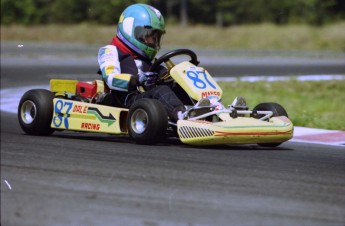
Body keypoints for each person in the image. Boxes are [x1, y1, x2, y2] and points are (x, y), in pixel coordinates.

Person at [97, 3, 210, 122]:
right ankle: (183, 117)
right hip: (127, 100)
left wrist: (182, 75)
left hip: (147, 99)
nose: (153, 41)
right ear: (130, 29)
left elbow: (163, 75)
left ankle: (209, 112)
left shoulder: (147, 59)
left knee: (179, 87)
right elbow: (110, 78)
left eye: (157, 37)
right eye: (150, 36)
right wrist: (137, 79)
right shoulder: (110, 50)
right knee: (160, 91)